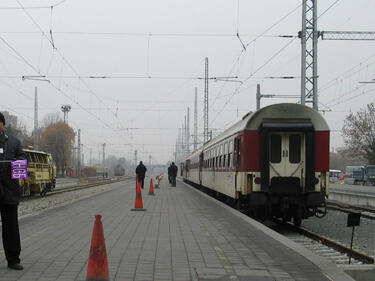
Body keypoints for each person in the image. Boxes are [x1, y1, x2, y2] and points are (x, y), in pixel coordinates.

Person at [0, 112, 26, 270]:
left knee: (11, 227)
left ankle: (13, 259)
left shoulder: (14, 142)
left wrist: (14, 163)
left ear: (2, 124)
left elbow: (22, 160)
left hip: (9, 192)